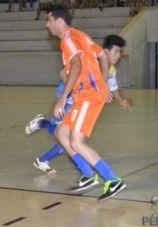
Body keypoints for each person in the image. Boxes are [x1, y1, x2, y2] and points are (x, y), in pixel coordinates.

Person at [27, 35, 131, 191]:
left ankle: (44, 154)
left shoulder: (110, 70)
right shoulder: (92, 59)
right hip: (69, 96)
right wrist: (73, 93)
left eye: (120, 52)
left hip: (82, 100)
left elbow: (112, 86)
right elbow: (63, 73)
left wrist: (121, 100)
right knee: (68, 139)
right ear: (105, 52)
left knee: (66, 138)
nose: (119, 55)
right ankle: (42, 129)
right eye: (116, 51)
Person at [43, 6, 126, 201]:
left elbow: (78, 65)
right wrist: (103, 84)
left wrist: (63, 98)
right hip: (85, 94)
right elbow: (103, 56)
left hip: (88, 95)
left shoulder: (68, 38)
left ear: (59, 21)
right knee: (61, 133)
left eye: (49, 20)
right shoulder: (80, 36)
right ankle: (88, 175)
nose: (47, 25)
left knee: (76, 142)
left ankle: (112, 180)